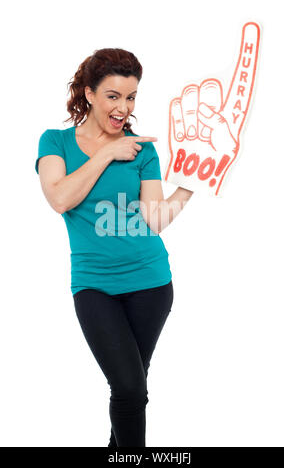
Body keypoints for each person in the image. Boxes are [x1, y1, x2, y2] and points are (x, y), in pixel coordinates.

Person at [35, 48, 193, 447]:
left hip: (151, 284)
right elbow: (59, 199)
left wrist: (191, 184)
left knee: (130, 391)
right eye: (113, 96)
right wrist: (107, 152)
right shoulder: (55, 142)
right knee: (129, 390)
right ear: (88, 93)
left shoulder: (143, 149)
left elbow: (155, 220)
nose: (124, 107)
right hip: (94, 287)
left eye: (132, 96)